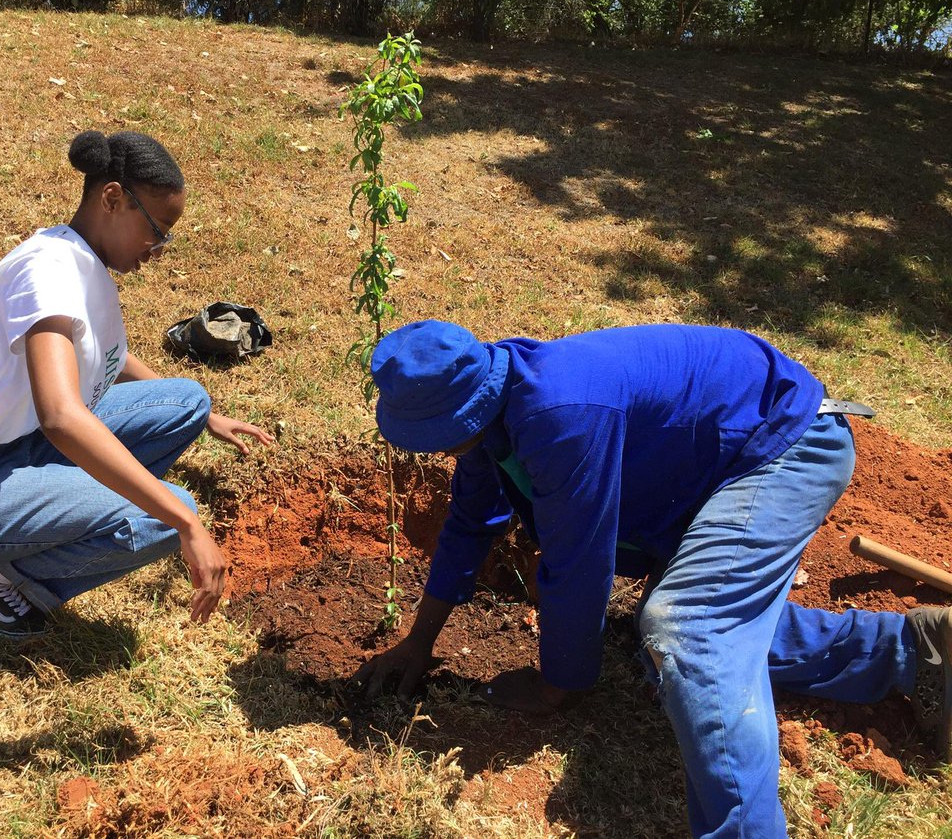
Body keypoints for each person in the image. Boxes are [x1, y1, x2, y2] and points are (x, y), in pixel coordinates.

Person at [353, 319, 952, 838]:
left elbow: (578, 563)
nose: (434, 450)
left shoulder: (559, 414)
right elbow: (470, 522)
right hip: (711, 464)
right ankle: (913, 652)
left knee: (687, 629)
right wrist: (419, 641)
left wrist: (558, 683)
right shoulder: (493, 415)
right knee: (703, 638)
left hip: (785, 447)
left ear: (463, 411)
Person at [0, 130, 272, 640]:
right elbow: (62, 417)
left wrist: (207, 417)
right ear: (112, 198)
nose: (159, 249)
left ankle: (37, 526)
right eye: (157, 230)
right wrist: (185, 523)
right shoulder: (48, 273)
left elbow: (107, 353)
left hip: (6, 449)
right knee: (164, 516)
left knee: (188, 401)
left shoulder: (78, 258)